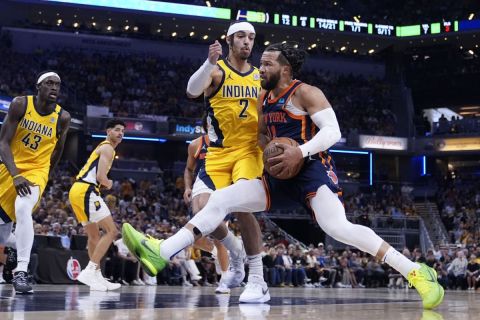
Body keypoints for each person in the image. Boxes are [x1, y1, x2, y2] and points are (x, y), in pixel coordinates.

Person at [123, 42, 444, 309]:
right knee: (221, 199)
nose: (260, 69)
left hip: (311, 169)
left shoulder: (306, 93)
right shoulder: (264, 98)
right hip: (279, 172)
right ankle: (161, 251)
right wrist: (269, 150)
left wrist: (298, 152)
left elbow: (333, 131)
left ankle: (416, 272)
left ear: (285, 69)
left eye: (266, 65)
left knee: (338, 227)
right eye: (260, 64)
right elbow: (262, 136)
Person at [134, 21, 266, 301]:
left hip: (247, 152)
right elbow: (192, 90)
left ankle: (257, 277)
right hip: (217, 153)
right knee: (201, 209)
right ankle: (236, 251)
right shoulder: (217, 71)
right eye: (241, 36)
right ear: (229, 40)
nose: (247, 42)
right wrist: (208, 62)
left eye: (251, 37)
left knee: (242, 208)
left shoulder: (260, 76)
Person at [0, 71, 70, 293]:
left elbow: (58, 151)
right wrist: (15, 174)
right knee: (2, 233)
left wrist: (45, 174)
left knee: (22, 208)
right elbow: (3, 143)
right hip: (10, 167)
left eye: (57, 85)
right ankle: (17, 247)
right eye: (49, 83)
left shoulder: (63, 117)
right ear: (38, 87)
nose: (54, 88)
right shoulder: (21, 104)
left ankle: (21, 272)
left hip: (36, 172)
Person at [68, 119, 125, 291]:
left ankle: (96, 277)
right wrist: (109, 183)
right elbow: (101, 177)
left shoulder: (105, 147)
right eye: (117, 129)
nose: (120, 133)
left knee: (94, 236)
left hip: (77, 191)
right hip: (86, 190)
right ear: (108, 131)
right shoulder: (108, 147)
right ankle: (90, 269)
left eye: (123, 130)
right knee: (112, 231)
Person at [183, 126, 231, 291]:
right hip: (200, 189)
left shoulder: (229, 140)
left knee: (219, 239)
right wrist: (187, 188)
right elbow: (189, 169)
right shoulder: (196, 144)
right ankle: (216, 252)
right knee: (194, 238)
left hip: (222, 190)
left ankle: (224, 280)